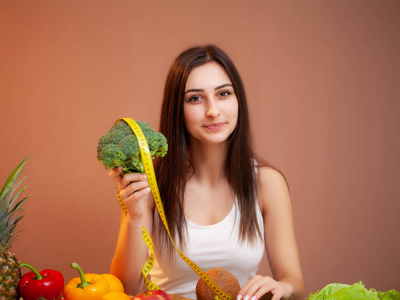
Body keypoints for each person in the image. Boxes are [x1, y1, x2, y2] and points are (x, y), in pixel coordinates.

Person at [108, 45, 304, 300]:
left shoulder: (266, 182)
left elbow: (295, 283)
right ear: (177, 109)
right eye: (195, 98)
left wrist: (284, 287)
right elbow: (125, 290)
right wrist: (135, 215)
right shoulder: (152, 182)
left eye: (223, 93)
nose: (213, 110)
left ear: (238, 101)